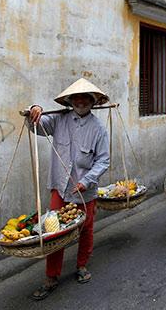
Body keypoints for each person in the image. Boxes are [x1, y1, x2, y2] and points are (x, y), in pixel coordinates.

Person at [27, 78, 110, 300]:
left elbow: (103, 161)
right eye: (76, 97)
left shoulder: (99, 129)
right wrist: (34, 111)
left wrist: (88, 180)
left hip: (85, 189)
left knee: (86, 229)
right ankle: (51, 276)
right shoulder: (58, 120)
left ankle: (82, 265)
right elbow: (38, 127)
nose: (80, 101)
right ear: (70, 101)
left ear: (92, 102)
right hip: (60, 186)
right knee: (54, 232)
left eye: (85, 98)